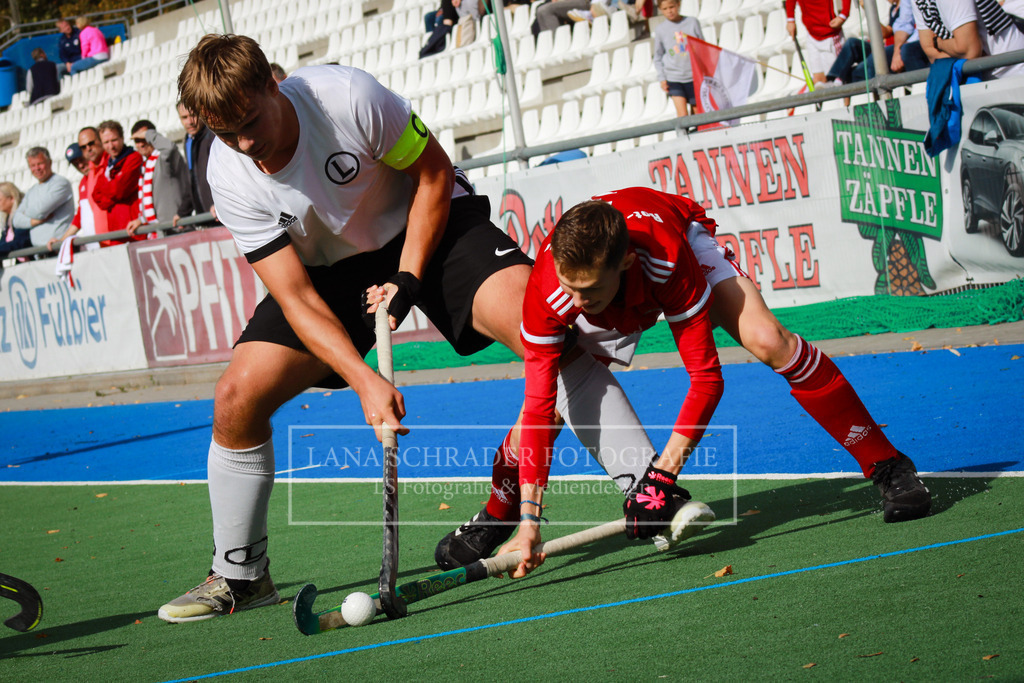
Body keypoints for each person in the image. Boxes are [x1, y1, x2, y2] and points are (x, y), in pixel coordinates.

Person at [156, 32, 547, 623]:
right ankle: (241, 574)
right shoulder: (229, 170)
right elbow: (294, 296)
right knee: (237, 397)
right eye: (224, 132)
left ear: (272, 83)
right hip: (329, 270)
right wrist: (363, 379)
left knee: (544, 330)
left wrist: (410, 277)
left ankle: (605, 487)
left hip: (426, 222)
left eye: (249, 122)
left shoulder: (348, 97)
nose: (244, 143)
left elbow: (436, 177)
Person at [437, 187, 931, 579]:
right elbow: (541, 398)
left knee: (767, 338)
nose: (575, 300)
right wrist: (530, 524)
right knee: (541, 414)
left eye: (588, 291)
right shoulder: (553, 292)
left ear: (625, 263)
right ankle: (501, 512)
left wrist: (661, 477)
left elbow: (706, 378)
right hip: (609, 289)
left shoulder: (664, 257)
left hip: (678, 241)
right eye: (570, 288)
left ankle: (889, 466)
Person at [912, 0, 1024, 77]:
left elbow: (968, 51)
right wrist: (962, 54)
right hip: (981, 77)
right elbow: (930, 51)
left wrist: (939, 43)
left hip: (1013, 71)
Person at [126, 120, 193, 237]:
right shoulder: (145, 166)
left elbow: (170, 148)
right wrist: (142, 219)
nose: (141, 144)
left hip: (178, 230)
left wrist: (149, 134)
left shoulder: (164, 160)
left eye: (144, 139)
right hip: (159, 234)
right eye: (137, 141)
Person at [49, 128, 109, 253]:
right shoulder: (83, 183)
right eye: (76, 164)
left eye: (81, 160)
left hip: (108, 240)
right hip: (94, 244)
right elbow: (81, 216)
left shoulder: (103, 172)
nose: (80, 166)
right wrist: (62, 240)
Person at [11, 147, 75, 256]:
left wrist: (26, 213)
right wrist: (34, 221)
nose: (37, 168)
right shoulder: (32, 191)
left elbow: (40, 211)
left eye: (40, 163)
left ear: (49, 163)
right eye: (32, 165)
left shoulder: (60, 183)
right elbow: (16, 220)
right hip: (38, 253)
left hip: (59, 250)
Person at [91, 120, 142, 245]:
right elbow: (96, 196)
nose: (111, 146)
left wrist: (109, 191)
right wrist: (114, 188)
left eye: (114, 140)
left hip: (134, 231)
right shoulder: (106, 164)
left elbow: (120, 190)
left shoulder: (134, 158)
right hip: (116, 231)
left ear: (122, 138)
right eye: (106, 142)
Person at [651, 0, 703, 117]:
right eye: (665, 9)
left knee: (698, 114)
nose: (669, 11)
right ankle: (684, 134)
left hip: (693, 76)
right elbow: (658, 56)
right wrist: (662, 77)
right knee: (682, 115)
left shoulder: (692, 22)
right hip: (674, 78)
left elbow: (702, 48)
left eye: (672, 7)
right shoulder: (660, 30)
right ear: (660, 10)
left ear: (678, 5)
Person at [786, 0, 852, 84]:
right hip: (811, 35)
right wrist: (790, 20)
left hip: (830, 36)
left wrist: (844, 14)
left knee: (839, 80)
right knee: (818, 81)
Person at [176, 101, 217, 227]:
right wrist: (182, 213)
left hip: (220, 214)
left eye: (193, 115)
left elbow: (226, 174)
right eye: (184, 117)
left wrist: (221, 203)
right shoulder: (188, 141)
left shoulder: (213, 136)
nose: (190, 122)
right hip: (204, 218)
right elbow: (192, 181)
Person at [0, 182, 28, 262]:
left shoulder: (23, 216)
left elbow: (20, 242)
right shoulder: (8, 220)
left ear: (12, 198)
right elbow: (3, 242)